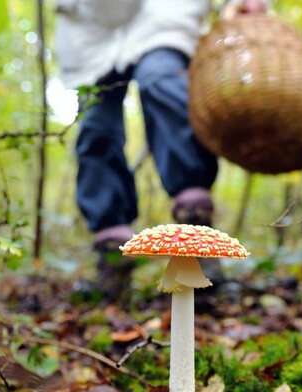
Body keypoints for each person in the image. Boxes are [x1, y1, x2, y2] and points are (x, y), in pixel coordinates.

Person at [55, 0, 266, 299]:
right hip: (92, 31)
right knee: (96, 126)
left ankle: (197, 238)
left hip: (165, 17)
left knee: (162, 82)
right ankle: (112, 260)